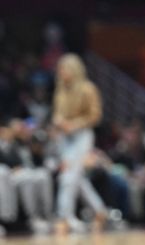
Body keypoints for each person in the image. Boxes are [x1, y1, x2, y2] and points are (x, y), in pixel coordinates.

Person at [51, 53, 108, 234]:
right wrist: (58, 121)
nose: (61, 72)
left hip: (82, 135)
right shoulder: (60, 90)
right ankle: (99, 211)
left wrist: (75, 124)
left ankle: (63, 218)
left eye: (64, 68)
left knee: (68, 178)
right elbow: (57, 114)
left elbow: (95, 115)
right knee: (76, 178)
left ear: (74, 69)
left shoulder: (88, 88)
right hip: (64, 138)